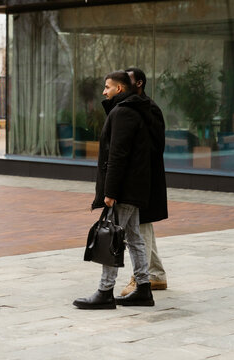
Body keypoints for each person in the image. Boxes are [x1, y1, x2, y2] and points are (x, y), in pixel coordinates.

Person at [73, 70, 154, 309]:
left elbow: (118, 155)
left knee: (111, 236)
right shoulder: (136, 110)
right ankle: (144, 288)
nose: (103, 91)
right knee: (133, 237)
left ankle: (105, 291)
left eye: (107, 87)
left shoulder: (123, 113)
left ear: (119, 89)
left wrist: (110, 192)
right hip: (133, 186)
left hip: (124, 188)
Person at [118, 67, 169, 296]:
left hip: (145, 180)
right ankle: (156, 275)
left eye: (127, 81)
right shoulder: (130, 108)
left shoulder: (149, 109)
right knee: (143, 226)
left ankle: (140, 280)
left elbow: (153, 147)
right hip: (138, 179)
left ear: (139, 83)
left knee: (140, 228)